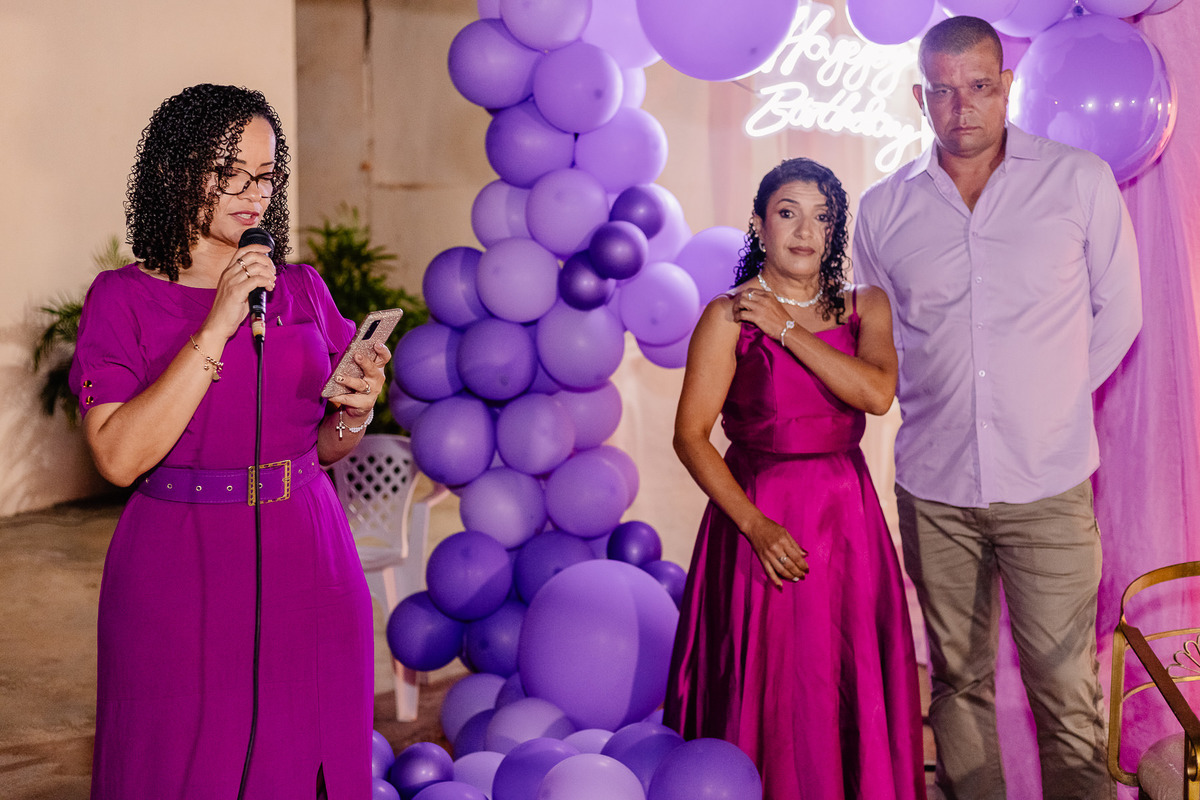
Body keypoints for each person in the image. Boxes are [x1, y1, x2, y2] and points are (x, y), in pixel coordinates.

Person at [69, 84, 388, 798]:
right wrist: (215, 325)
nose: (254, 193)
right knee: (181, 764)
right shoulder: (122, 300)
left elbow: (324, 444)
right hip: (175, 569)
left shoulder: (302, 289)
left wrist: (357, 411)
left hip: (311, 554)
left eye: (266, 175)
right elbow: (118, 457)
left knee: (304, 756)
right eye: (230, 174)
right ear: (178, 174)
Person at [853, 16, 1142, 800]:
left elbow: (1119, 311)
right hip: (934, 486)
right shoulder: (882, 212)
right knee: (955, 686)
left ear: (1006, 86)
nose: (963, 107)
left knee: (1065, 696)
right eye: (943, 92)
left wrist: (1044, 400)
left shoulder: (1076, 181)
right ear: (921, 97)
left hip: (1047, 484)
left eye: (979, 86)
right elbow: (880, 343)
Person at [663, 157, 926, 799]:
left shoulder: (867, 306)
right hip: (758, 519)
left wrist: (784, 328)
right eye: (788, 213)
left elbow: (875, 394)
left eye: (822, 216)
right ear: (759, 223)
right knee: (769, 689)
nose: (805, 230)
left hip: (848, 519)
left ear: (835, 232)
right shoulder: (726, 317)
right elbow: (690, 436)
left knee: (842, 676)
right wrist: (753, 525)